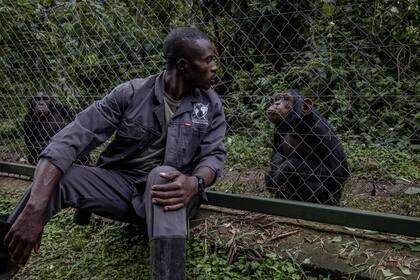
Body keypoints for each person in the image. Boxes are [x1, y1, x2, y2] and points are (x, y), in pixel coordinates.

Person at [0, 27, 226, 280]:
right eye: (208, 60)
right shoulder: (131, 93)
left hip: (174, 195)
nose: (214, 66)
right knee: (59, 178)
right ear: (184, 66)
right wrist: (34, 209)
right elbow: (67, 142)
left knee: (163, 176)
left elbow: (213, 155)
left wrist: (194, 183)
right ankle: (4, 263)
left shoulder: (210, 105)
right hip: (123, 189)